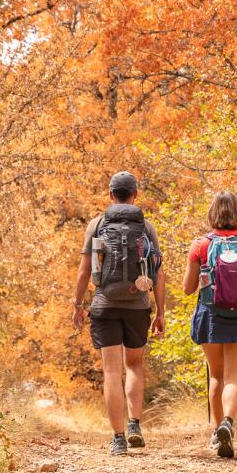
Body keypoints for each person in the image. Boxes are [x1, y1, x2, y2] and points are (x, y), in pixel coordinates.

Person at [73, 171, 165, 456]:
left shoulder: (96, 225)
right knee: (134, 366)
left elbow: (85, 270)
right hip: (138, 305)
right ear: (135, 195)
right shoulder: (146, 227)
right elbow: (159, 273)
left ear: (111, 195)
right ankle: (135, 423)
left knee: (111, 371)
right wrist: (160, 311)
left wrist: (77, 305)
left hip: (104, 304)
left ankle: (118, 439)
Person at [183, 190, 237, 459]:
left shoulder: (201, 245)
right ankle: (229, 422)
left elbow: (187, 288)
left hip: (211, 315)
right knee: (234, 377)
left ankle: (218, 431)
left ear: (211, 214)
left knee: (216, 376)